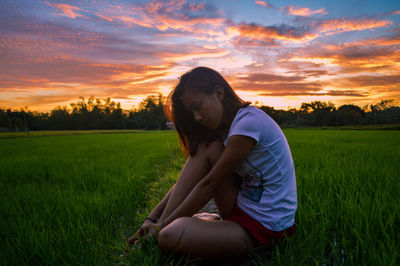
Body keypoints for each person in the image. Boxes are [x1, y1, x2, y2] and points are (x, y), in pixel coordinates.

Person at [127, 66, 297, 262]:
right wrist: (152, 219)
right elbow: (186, 182)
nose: (197, 118)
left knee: (169, 236)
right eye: (192, 113)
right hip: (240, 209)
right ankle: (180, 225)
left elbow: (209, 185)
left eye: (198, 107)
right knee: (205, 146)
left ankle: (170, 229)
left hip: (265, 227)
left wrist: (161, 228)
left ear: (219, 92)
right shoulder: (226, 129)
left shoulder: (249, 124)